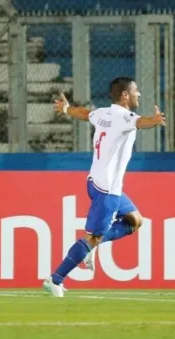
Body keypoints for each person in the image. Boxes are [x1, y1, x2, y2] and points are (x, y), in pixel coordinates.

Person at [44, 77, 165, 297]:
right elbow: (141, 122)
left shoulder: (103, 114)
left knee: (135, 220)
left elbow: (83, 114)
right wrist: (155, 120)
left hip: (96, 182)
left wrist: (67, 108)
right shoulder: (125, 117)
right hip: (107, 190)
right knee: (91, 238)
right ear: (125, 95)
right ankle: (55, 279)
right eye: (135, 91)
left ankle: (92, 245)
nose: (139, 95)